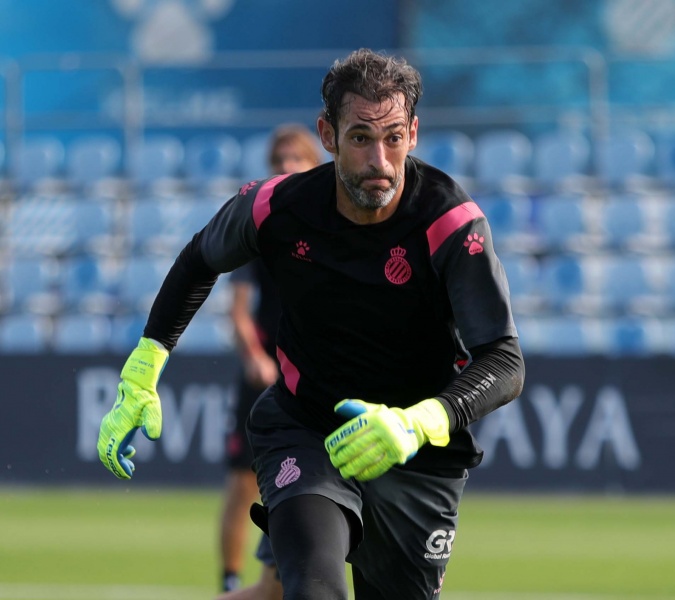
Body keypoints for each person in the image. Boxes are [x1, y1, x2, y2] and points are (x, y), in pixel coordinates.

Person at [97, 48, 525, 600]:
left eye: (394, 138)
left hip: (415, 452)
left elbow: (505, 360)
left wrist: (417, 423)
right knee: (312, 589)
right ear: (327, 134)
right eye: (361, 138)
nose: (380, 160)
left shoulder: (450, 223)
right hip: (306, 429)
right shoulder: (276, 206)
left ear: (414, 134)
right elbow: (199, 259)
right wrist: (143, 369)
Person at [220, 124, 321, 596]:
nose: (285, 168)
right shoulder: (258, 231)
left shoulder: (334, 228)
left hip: (317, 382)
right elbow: (238, 311)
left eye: (295, 159)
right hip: (267, 379)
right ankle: (230, 579)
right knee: (244, 485)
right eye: (278, 161)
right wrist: (256, 357)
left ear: (315, 164)